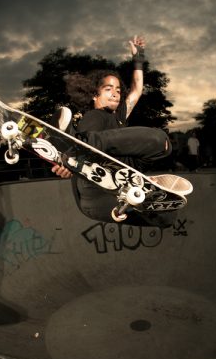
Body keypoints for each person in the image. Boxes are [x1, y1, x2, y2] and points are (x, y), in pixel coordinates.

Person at [51, 36, 176, 227]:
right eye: (108, 89)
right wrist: (70, 161)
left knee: (167, 216)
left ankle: (133, 200)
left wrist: (138, 58)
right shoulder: (94, 116)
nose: (116, 93)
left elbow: (136, 91)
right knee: (159, 138)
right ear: (94, 94)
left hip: (109, 199)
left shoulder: (119, 115)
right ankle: (77, 143)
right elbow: (76, 162)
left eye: (118, 89)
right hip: (93, 190)